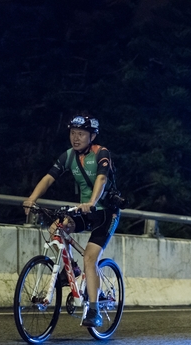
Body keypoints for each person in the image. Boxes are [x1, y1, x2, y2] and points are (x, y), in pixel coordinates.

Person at [23, 114, 120, 328]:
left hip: (106, 213)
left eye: (81, 134)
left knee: (90, 258)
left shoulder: (101, 153)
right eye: (73, 133)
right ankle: (73, 272)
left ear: (92, 135)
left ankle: (93, 310)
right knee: (57, 228)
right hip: (85, 211)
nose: (75, 138)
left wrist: (93, 201)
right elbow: (49, 177)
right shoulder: (68, 156)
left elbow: (101, 179)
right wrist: (32, 199)